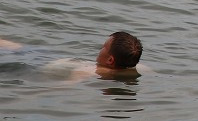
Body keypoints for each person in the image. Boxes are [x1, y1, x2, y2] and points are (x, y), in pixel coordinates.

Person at [1, 31, 143, 79]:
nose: (100, 49)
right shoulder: (138, 67)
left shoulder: (87, 72)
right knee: (17, 47)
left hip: (37, 62)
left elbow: (62, 87)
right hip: (51, 58)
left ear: (110, 59)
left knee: (17, 48)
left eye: (103, 47)